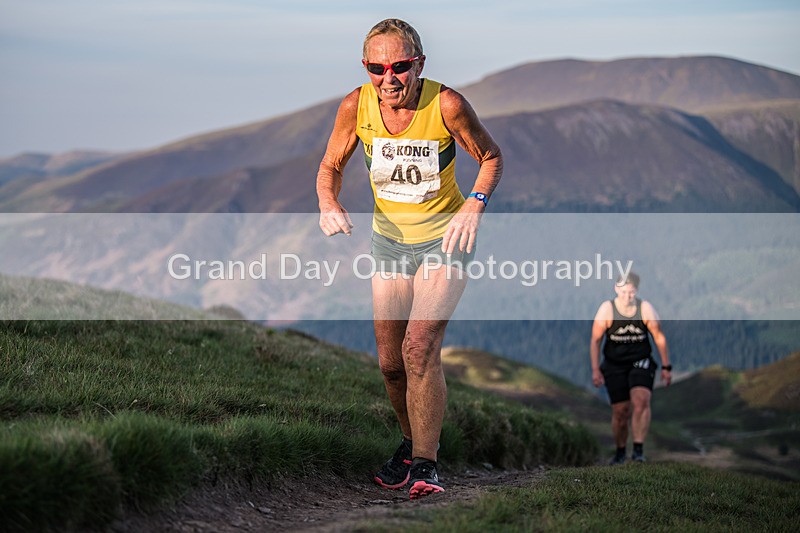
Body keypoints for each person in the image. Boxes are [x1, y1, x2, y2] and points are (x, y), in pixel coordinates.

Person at [316, 18, 502, 499]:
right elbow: (330, 166)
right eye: (377, 68)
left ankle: (427, 464)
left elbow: (491, 157)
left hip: (446, 240)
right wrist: (329, 203)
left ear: (419, 63)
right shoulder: (356, 106)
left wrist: (473, 205)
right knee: (390, 362)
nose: (389, 78)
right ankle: (409, 442)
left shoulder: (447, 104)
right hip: (390, 243)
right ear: (366, 68)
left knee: (419, 349)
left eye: (401, 66)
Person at [589, 271, 672, 464]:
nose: (628, 296)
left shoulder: (645, 309)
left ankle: (638, 450)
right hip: (614, 364)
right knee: (621, 411)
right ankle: (620, 452)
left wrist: (666, 366)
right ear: (616, 289)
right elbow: (595, 340)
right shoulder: (607, 310)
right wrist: (595, 369)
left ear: (637, 291)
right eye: (624, 291)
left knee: (641, 400)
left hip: (640, 360)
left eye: (632, 292)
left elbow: (659, 337)